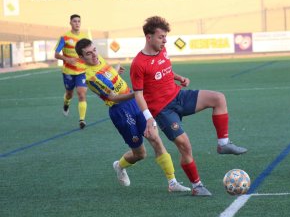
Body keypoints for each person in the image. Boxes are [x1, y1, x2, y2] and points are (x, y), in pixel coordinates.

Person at [129, 16, 248, 196]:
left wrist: (178, 77)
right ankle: (197, 186)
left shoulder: (163, 50)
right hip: (163, 110)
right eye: (161, 37)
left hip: (179, 96)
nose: (165, 40)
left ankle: (223, 144)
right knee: (185, 145)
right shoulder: (138, 64)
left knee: (219, 99)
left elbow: (165, 70)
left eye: (165, 37)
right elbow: (138, 94)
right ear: (149, 37)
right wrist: (149, 118)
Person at [75, 38, 190, 193]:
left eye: (94, 50)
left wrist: (115, 70)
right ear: (82, 58)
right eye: (88, 54)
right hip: (120, 111)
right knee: (141, 153)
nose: (94, 55)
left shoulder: (99, 59)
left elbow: (108, 76)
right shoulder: (90, 78)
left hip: (134, 102)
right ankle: (120, 166)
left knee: (155, 138)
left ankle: (172, 182)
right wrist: (136, 94)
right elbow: (113, 97)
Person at [54, 14, 88, 129]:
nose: (77, 23)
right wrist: (67, 59)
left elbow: (88, 52)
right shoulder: (65, 37)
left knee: (82, 94)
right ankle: (66, 103)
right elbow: (56, 54)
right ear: (70, 23)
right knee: (69, 94)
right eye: (74, 21)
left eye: (79, 21)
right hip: (68, 72)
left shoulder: (84, 37)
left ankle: (82, 120)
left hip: (82, 71)